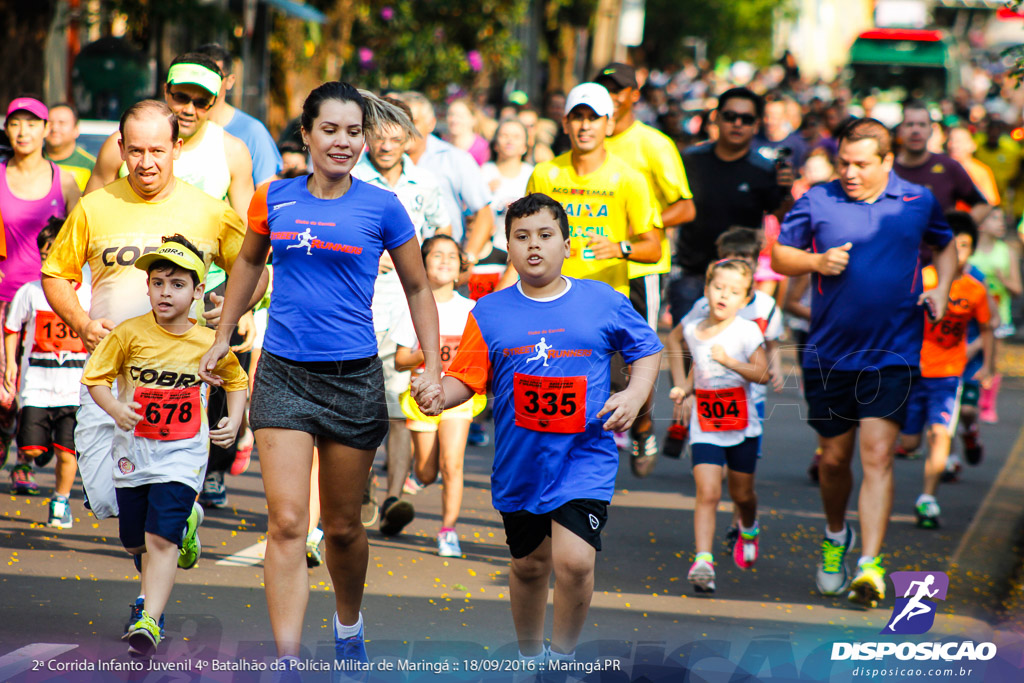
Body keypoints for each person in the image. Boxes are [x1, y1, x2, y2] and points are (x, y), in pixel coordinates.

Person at [198, 82, 442, 671]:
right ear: (305, 134)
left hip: (353, 378)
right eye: (329, 130)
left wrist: (433, 366)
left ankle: (348, 620)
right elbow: (251, 263)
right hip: (283, 373)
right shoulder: (273, 197)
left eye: (353, 131)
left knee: (341, 527)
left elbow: (416, 287)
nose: (342, 142)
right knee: (286, 522)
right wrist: (223, 332)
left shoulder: (382, 206)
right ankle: (287, 657)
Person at [41, 99, 267, 637]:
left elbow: (255, 268)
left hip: (179, 384)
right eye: (135, 150)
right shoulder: (96, 207)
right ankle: (173, 524)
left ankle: (150, 606)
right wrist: (79, 320)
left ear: (177, 149)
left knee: (157, 508)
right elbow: (56, 274)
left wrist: (230, 310)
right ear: (120, 148)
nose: (146, 161)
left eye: (157, 150)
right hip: (109, 380)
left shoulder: (209, 210)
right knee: (109, 503)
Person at [414, 193, 662, 668]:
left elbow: (646, 351)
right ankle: (530, 656)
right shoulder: (488, 314)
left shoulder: (602, 301)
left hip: (584, 456)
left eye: (545, 236)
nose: (534, 246)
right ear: (506, 246)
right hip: (521, 462)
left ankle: (562, 658)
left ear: (566, 245)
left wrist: (634, 395)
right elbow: (465, 380)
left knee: (575, 562)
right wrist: (434, 396)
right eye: (522, 237)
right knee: (529, 566)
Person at [772, 117, 957, 608]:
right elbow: (781, 254)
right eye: (843, 163)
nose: (849, 173)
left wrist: (941, 285)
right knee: (833, 462)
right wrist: (816, 262)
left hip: (893, 353)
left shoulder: (917, 200)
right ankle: (837, 538)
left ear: (887, 162)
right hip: (829, 354)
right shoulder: (817, 199)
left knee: (877, 456)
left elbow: (948, 244)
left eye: (860, 164)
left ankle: (871, 566)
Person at [82, 236, 248, 658]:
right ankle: (187, 523)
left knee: (160, 539)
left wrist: (233, 418)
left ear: (197, 292)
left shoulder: (208, 340)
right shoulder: (128, 333)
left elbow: (236, 379)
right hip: (133, 451)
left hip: (183, 453)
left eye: (177, 285)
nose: (165, 292)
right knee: (134, 540)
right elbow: (95, 379)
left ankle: (149, 619)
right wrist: (116, 408)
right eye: (157, 283)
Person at [525, 82, 661, 474]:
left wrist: (620, 248)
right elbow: (523, 235)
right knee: (555, 396)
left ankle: (641, 427)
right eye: (577, 117)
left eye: (593, 118)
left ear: (609, 123)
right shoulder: (545, 173)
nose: (585, 126)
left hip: (603, 305)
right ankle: (563, 477)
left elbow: (653, 246)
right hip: (548, 302)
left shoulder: (629, 178)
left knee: (621, 382)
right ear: (565, 123)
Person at [352, 95, 450, 537]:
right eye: (378, 135)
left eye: (395, 137)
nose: (386, 144)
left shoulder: (426, 184)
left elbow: (443, 232)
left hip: (407, 309)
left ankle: (393, 496)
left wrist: (423, 264)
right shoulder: (351, 178)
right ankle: (363, 487)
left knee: (397, 407)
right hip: (357, 306)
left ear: (410, 139)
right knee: (360, 407)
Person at [595, 62, 696, 476]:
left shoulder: (653, 144)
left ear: (634, 95)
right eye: (605, 89)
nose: (613, 96)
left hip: (640, 268)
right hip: (591, 267)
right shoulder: (582, 144)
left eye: (619, 90)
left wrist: (641, 225)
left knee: (637, 356)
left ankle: (641, 427)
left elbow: (685, 206)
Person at [667, 259, 769, 592]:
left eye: (734, 291)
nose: (724, 295)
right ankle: (703, 561)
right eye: (718, 287)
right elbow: (693, 359)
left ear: (745, 298)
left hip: (742, 426)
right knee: (707, 493)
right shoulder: (695, 328)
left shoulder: (747, 331)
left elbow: (762, 373)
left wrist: (730, 362)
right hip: (705, 425)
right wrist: (684, 386)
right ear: (707, 288)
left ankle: (749, 526)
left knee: (743, 494)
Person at [0, 96, 81, 486]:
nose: (23, 132)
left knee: (35, 380)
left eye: (32, 124)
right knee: (4, 384)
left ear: (46, 129)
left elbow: (82, 238)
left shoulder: (63, 179)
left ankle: (27, 455)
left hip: (52, 300)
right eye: (15, 124)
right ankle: (10, 442)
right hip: (5, 297)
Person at [894, 212, 994, 529]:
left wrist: (988, 366)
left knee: (939, 434)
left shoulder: (975, 290)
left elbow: (988, 328)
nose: (959, 252)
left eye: (965, 246)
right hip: (914, 371)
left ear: (972, 250)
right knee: (909, 443)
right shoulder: (923, 280)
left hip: (949, 373)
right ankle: (925, 443)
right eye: (953, 246)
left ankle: (928, 499)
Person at [393, 235, 484, 556]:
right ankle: (417, 477)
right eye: (436, 255)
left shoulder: (472, 309)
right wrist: (430, 354)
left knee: (452, 464)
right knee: (427, 472)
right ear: (423, 263)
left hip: (458, 398)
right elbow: (400, 360)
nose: (445, 260)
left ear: (462, 267)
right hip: (421, 398)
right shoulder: (415, 307)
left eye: (452, 255)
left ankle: (448, 531)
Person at [669, 88, 791, 328]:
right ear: (716, 118)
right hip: (691, 274)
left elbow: (782, 216)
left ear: (756, 124)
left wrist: (786, 189)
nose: (737, 123)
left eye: (746, 119)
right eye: (730, 116)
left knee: (736, 359)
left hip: (738, 280)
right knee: (683, 353)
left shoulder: (764, 170)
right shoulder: (690, 160)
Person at [87, 52, 254, 219]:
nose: (189, 110)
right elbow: (88, 218)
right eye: (181, 98)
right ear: (166, 90)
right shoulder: (122, 144)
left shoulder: (232, 152)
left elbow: (247, 232)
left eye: (201, 102)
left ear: (214, 101)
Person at [3, 218, 89, 510]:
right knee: (31, 447)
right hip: (36, 387)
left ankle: (60, 501)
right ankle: (40, 447)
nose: (47, 262)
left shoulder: (89, 293)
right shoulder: (30, 291)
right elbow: (13, 327)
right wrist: (11, 366)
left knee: (68, 453)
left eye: (54, 254)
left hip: (73, 391)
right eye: (43, 256)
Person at [397, 91, 494, 261]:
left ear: (431, 124)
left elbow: (484, 213)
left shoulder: (455, 159)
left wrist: (468, 259)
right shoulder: (383, 160)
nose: (406, 128)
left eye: (414, 122)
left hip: (443, 267)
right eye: (400, 121)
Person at [195, 43, 284, 186]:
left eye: (214, 77)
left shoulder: (252, 131)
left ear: (230, 81)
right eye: (198, 76)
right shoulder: (176, 126)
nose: (205, 83)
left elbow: (268, 194)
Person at [969, 207, 1020, 424]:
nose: (1001, 223)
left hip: (999, 314)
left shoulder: (1007, 252)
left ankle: (987, 404)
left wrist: (1002, 279)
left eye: (1002, 219)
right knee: (971, 356)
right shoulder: (969, 251)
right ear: (980, 224)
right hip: (970, 316)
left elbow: (1017, 289)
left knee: (991, 358)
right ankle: (968, 396)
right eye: (994, 219)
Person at [893, 102, 986, 216]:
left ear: (931, 130)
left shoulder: (949, 167)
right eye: (909, 124)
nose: (915, 131)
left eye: (922, 125)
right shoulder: (887, 170)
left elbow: (982, 205)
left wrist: (963, 230)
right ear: (900, 130)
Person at [45, 102, 96, 191]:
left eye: (62, 123)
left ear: (76, 130)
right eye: (50, 123)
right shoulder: (30, 160)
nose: (55, 128)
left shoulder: (90, 166)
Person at [945, 126, 1000, 207]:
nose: (954, 146)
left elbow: (990, 202)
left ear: (972, 145)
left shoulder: (981, 171)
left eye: (960, 141)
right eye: (951, 140)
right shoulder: (941, 167)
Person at [753, 95, 809, 169]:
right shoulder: (752, 141)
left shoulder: (798, 144)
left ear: (785, 117)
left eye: (775, 117)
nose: (770, 121)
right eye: (766, 116)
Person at [445, 97, 490, 166]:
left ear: (473, 119)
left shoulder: (482, 148)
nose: (454, 120)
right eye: (451, 114)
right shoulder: (442, 145)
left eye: (460, 116)